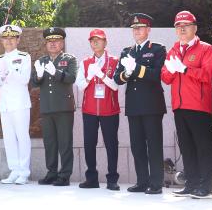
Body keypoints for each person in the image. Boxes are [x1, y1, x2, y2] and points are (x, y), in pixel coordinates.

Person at [162, 11, 212, 199]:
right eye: (178, 26)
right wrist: (170, 69)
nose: (182, 29)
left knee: (202, 147)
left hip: (199, 106)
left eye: (186, 25)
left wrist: (185, 69)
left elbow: (207, 75)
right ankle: (192, 184)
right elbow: (166, 77)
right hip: (179, 106)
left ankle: (206, 186)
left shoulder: (206, 49)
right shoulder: (174, 50)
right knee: (186, 147)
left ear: (195, 28)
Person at [114, 13, 167, 194]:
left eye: (140, 27)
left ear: (148, 30)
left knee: (154, 145)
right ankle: (142, 181)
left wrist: (135, 69)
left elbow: (157, 74)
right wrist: (126, 74)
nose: (137, 31)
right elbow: (117, 78)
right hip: (134, 105)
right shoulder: (126, 51)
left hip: (152, 105)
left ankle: (156, 183)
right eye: (134, 28)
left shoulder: (158, 49)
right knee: (137, 146)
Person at [75, 29, 121, 191]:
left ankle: (112, 179)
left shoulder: (115, 61)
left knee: (111, 144)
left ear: (105, 42)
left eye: (98, 40)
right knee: (89, 144)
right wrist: (89, 76)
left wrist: (101, 75)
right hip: (89, 110)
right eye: (92, 40)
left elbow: (115, 85)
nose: (95, 43)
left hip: (110, 110)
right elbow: (80, 86)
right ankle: (91, 178)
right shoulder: (85, 62)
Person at [32, 27, 77, 187]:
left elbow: (71, 78)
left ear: (62, 42)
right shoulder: (41, 61)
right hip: (47, 107)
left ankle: (64, 175)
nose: (52, 44)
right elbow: (34, 83)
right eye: (49, 41)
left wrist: (56, 72)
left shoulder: (69, 59)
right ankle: (51, 172)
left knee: (65, 143)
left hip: (64, 107)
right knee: (50, 143)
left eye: (56, 40)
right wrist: (38, 74)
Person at [0, 25, 32, 185]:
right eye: (5, 38)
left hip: (20, 103)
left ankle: (24, 172)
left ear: (18, 40)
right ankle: (14, 170)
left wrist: (12, 71)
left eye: (12, 38)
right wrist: (2, 75)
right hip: (5, 104)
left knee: (22, 137)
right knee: (9, 138)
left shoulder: (24, 56)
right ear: (1, 41)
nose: (9, 41)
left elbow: (25, 80)